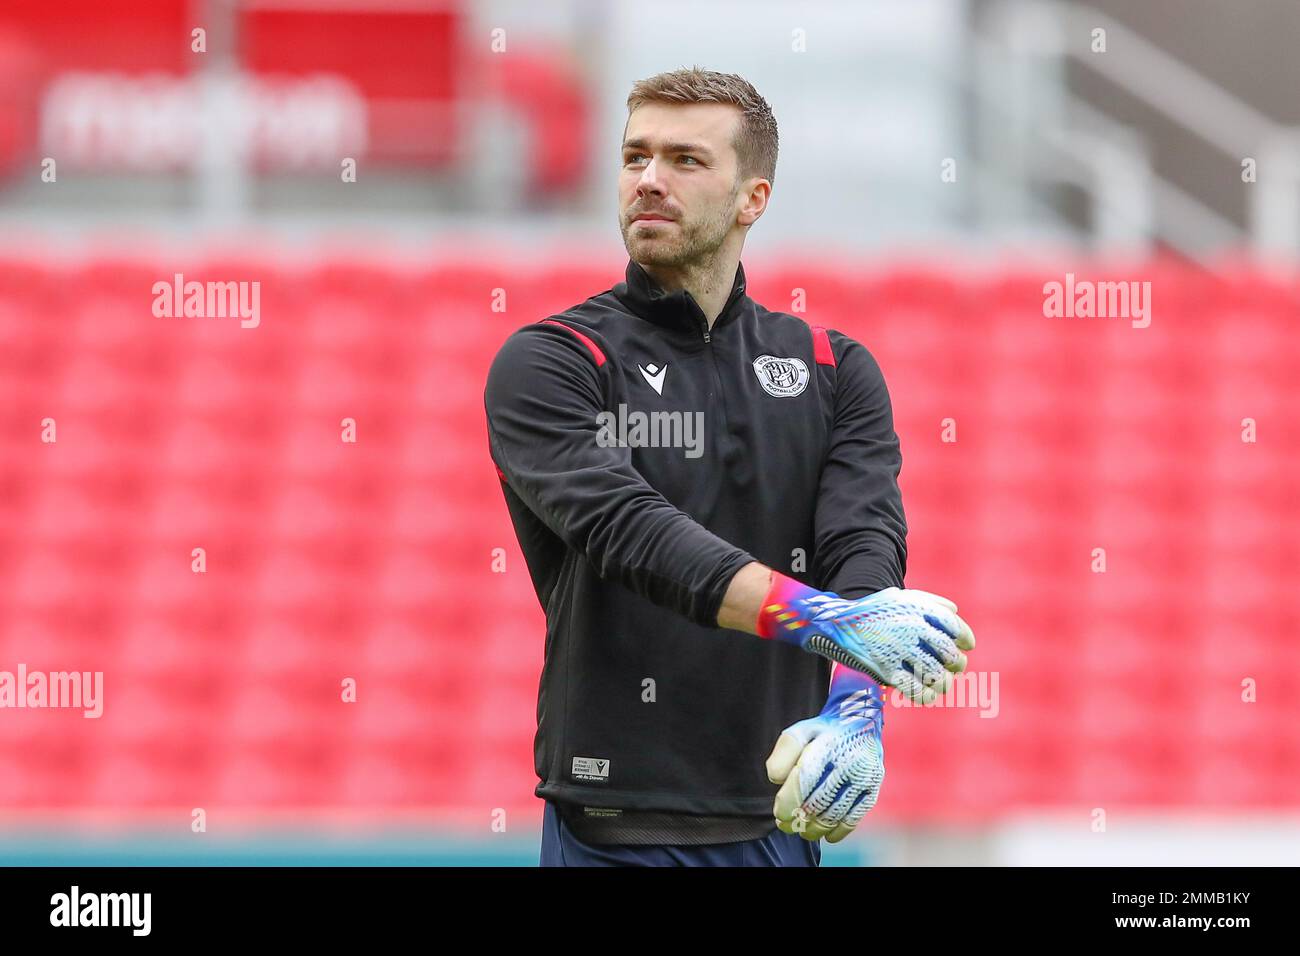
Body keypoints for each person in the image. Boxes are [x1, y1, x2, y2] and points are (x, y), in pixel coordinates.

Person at [484, 66, 975, 867]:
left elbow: (864, 543)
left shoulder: (832, 368)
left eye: (685, 160)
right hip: (618, 828)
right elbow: (631, 534)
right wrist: (830, 625)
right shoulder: (554, 360)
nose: (648, 180)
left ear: (753, 198)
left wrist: (856, 708)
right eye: (634, 156)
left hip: (780, 821)